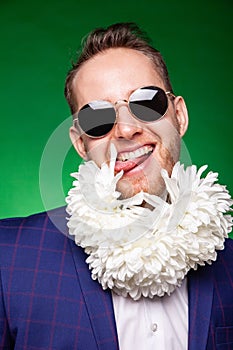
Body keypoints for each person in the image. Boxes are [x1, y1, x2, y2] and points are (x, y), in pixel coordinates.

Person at [0, 22, 233, 350]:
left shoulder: (230, 269)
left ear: (179, 116)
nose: (125, 129)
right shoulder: (7, 258)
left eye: (146, 102)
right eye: (97, 118)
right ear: (81, 143)